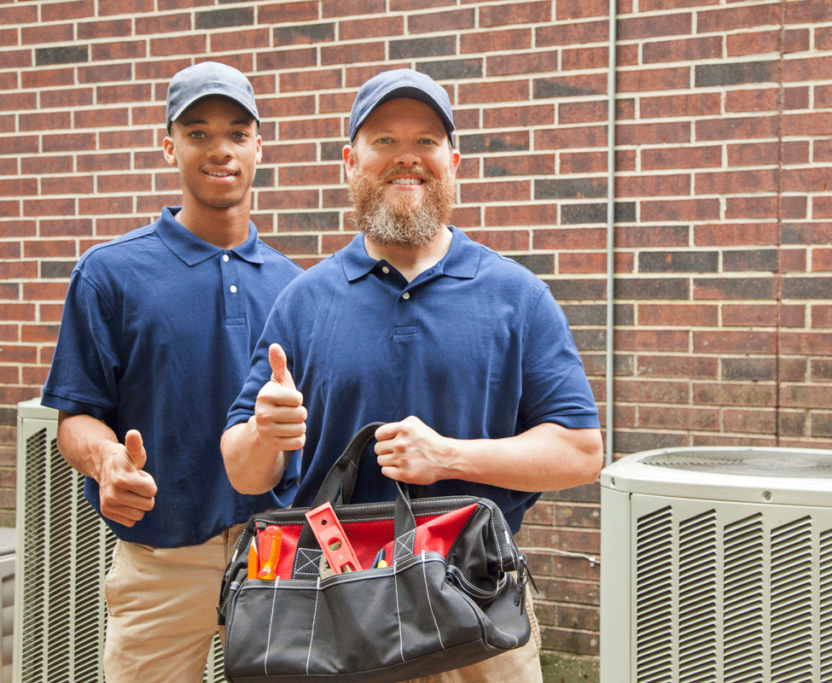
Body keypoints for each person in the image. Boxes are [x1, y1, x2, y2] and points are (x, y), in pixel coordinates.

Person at [221, 68, 604, 682]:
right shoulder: (303, 300)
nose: (408, 159)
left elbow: (582, 452)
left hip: (478, 614)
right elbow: (243, 469)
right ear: (351, 160)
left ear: (454, 160)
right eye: (384, 142)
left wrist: (448, 456)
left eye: (426, 141)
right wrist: (264, 434)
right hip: (332, 615)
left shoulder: (517, 296)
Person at [40, 61, 303, 682]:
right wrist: (106, 461)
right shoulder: (109, 274)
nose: (221, 150)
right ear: (169, 145)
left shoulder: (299, 289)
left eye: (238, 133)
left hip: (277, 554)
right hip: (160, 560)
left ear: (259, 146)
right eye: (198, 132)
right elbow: (76, 417)